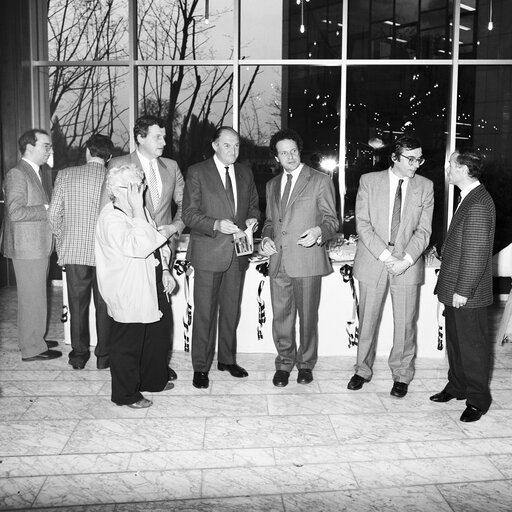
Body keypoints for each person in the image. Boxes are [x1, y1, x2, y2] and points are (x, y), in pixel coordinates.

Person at [347, 136, 434, 398]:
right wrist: (387, 257)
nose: (416, 164)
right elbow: (362, 225)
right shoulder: (369, 181)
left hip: (407, 264)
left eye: (419, 159)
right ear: (394, 158)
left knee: (406, 323)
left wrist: (405, 260)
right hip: (374, 260)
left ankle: (402, 375)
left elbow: (424, 230)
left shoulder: (425, 187)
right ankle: (361, 370)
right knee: (368, 320)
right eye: (411, 159)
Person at [105, 115, 184, 380]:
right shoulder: (118, 165)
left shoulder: (171, 167)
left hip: (162, 250)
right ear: (140, 137)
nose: (164, 141)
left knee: (160, 314)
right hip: (131, 254)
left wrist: (174, 227)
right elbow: (108, 210)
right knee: (132, 318)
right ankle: (133, 371)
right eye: (157, 136)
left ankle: (156, 365)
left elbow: (186, 205)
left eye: (164, 136)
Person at [182, 126, 260, 389]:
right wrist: (215, 224)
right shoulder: (196, 172)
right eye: (227, 145)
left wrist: (253, 218)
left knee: (230, 312)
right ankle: (200, 367)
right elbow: (188, 215)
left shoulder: (246, 173)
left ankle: (226, 359)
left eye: (236, 145)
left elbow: (253, 207)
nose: (233, 150)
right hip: (208, 253)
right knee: (204, 313)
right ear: (214, 145)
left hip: (237, 254)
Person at [260, 128, 338, 387]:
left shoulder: (319, 180)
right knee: (281, 318)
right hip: (278, 261)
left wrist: (319, 231)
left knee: (307, 318)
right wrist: (266, 238)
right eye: (284, 153)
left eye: (293, 151)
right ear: (277, 157)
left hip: (307, 260)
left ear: (299, 151)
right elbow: (270, 223)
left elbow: (331, 221)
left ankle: (305, 364)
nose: (290, 156)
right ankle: (284, 364)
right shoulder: (271, 185)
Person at [95, 164, 176, 408]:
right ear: (116, 191)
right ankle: (126, 394)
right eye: (132, 187)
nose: (138, 191)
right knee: (128, 343)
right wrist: (140, 209)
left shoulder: (139, 211)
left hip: (152, 283)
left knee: (157, 335)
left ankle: (153, 379)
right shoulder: (111, 217)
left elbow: (156, 242)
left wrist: (165, 270)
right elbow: (139, 246)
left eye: (139, 186)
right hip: (128, 289)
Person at [432, 150, 495, 422]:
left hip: (467, 293)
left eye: (451, 165)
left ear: (463, 169)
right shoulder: (468, 197)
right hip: (455, 287)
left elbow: (476, 252)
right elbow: (462, 242)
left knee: (473, 348)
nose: (447, 169)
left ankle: (478, 400)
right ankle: (457, 386)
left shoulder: (479, 202)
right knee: (456, 344)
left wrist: (463, 291)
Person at [48, 134, 114, 370]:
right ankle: (104, 357)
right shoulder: (114, 178)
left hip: (75, 251)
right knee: (105, 305)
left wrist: (63, 240)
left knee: (77, 305)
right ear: (109, 157)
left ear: (87, 151)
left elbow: (53, 215)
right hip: (108, 253)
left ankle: (78, 355)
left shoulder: (66, 175)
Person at [1, 129, 62, 361]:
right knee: (31, 298)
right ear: (29, 147)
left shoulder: (35, 172)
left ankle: (36, 338)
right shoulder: (17, 173)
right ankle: (31, 348)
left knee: (37, 295)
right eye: (46, 146)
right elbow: (15, 212)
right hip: (27, 247)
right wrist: (47, 210)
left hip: (36, 245)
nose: (50, 150)